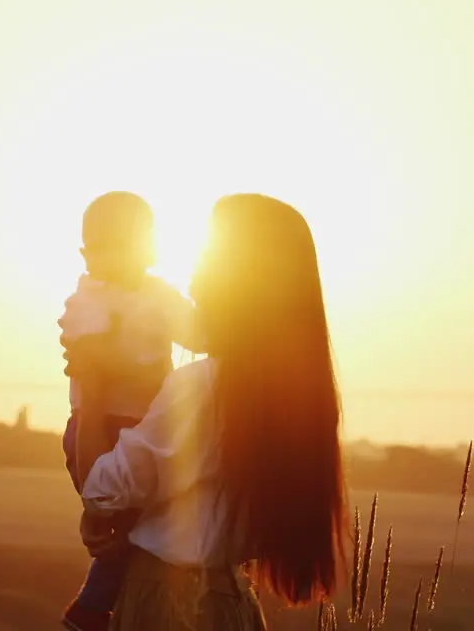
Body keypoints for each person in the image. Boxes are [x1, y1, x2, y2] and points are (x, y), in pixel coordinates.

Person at [74, 194, 349, 630]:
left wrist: (92, 389)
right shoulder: (284, 396)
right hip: (232, 602)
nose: (194, 271)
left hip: (170, 604)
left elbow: (102, 490)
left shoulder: (203, 386)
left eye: (207, 255)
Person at [58, 191, 205, 631]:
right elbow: (92, 361)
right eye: (97, 246)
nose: (109, 257)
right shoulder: (86, 300)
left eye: (122, 244)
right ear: (84, 254)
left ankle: (99, 606)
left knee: (140, 531)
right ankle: (93, 607)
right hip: (95, 427)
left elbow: (202, 335)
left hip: (145, 428)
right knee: (122, 524)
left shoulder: (161, 297)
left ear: (150, 249)